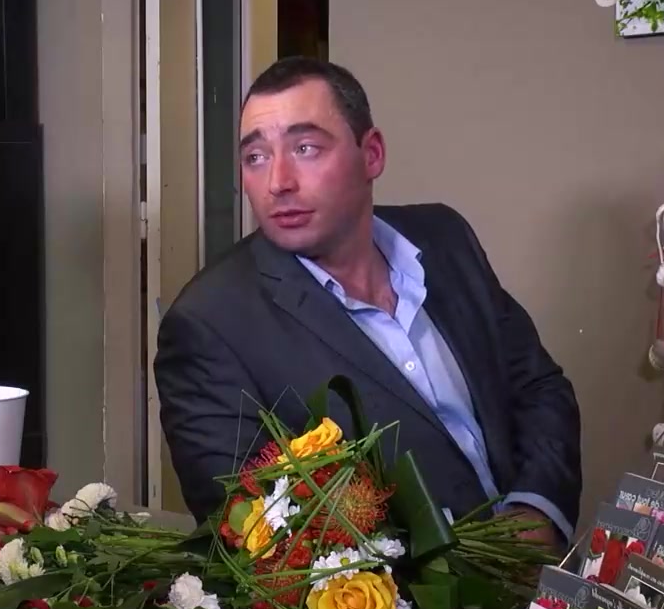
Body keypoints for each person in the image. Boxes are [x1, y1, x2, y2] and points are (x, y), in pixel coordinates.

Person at [154, 57, 581, 548]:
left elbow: (537, 388)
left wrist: (536, 512)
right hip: (408, 598)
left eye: (305, 148)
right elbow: (257, 536)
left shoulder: (445, 238)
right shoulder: (208, 324)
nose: (278, 182)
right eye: (256, 157)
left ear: (371, 154)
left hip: (547, 574)